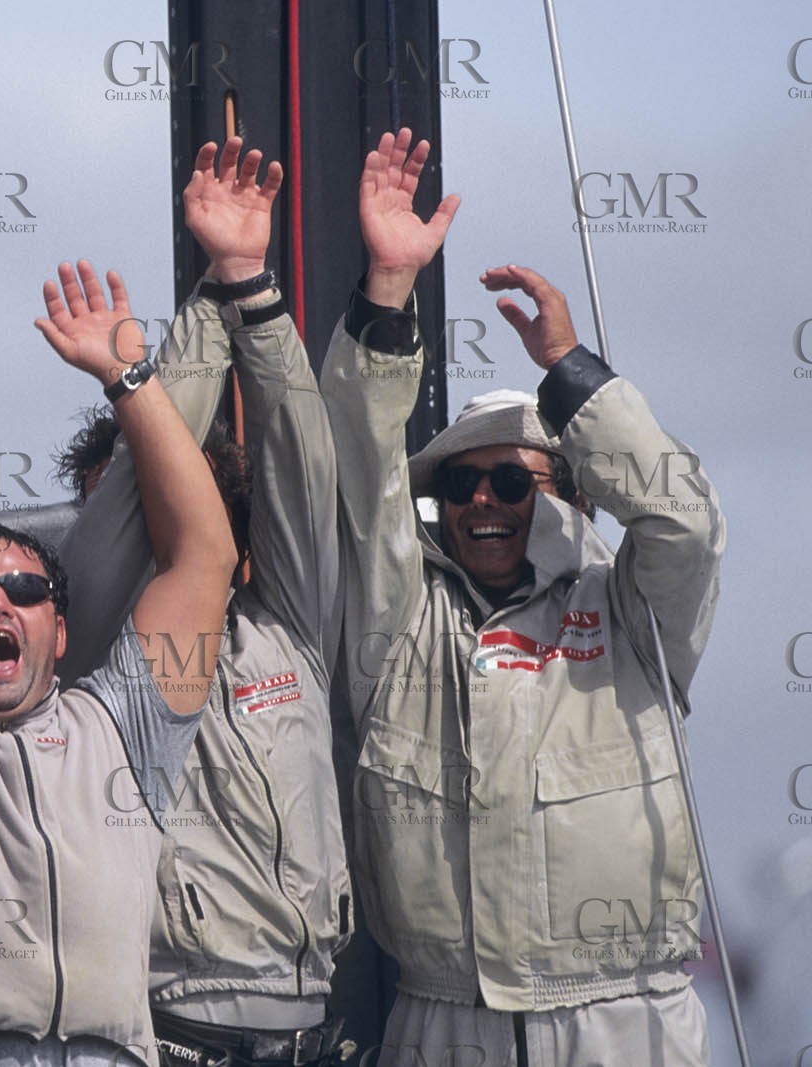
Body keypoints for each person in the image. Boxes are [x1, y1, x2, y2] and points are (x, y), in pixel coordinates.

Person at [323, 129, 724, 1066]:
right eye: (459, 486)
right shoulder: (401, 621)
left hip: (626, 1021)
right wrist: (388, 292)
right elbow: (358, 470)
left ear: (568, 492)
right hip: (440, 1023)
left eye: (513, 482)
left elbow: (686, 522)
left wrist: (571, 371)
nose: (483, 503)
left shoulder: (632, 616)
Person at [54, 137, 411, 1065]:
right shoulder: (94, 649)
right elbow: (145, 482)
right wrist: (173, 351)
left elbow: (302, 460)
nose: (164, 518)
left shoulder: (285, 628)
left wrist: (248, 287)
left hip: (309, 1029)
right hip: (165, 1029)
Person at [0, 262, 239, 1066]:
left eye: (26, 589)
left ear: (60, 633)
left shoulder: (123, 728)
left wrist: (126, 375)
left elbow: (205, 555)